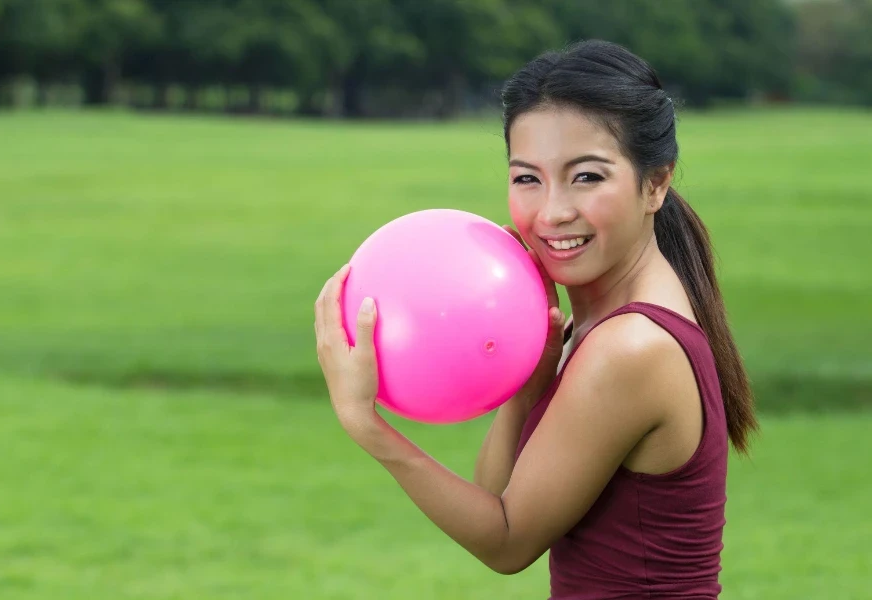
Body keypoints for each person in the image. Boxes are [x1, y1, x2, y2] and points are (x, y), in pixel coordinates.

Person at [313, 39, 758, 599]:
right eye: (528, 178)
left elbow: (507, 542)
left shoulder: (631, 348)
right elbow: (496, 492)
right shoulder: (601, 326)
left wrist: (366, 425)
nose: (552, 212)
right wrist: (529, 385)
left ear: (655, 184)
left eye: (587, 177)